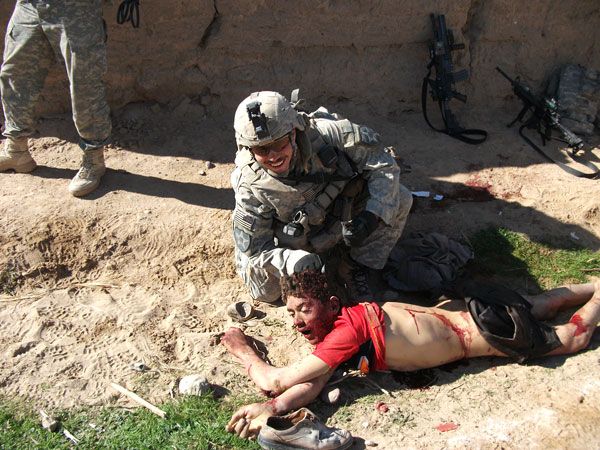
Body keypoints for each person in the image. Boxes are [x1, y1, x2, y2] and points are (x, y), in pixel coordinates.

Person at [221, 270, 600, 439]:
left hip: (492, 331)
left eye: (304, 309)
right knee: (540, 303)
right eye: (290, 313)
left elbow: (275, 380)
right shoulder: (352, 322)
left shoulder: (345, 333)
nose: (296, 321)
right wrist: (273, 409)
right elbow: (314, 381)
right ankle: (593, 284)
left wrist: (243, 350)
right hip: (475, 307)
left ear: (331, 304)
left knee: (571, 339)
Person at [231, 91, 413, 303]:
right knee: (266, 292)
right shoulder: (249, 184)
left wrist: (371, 216)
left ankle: (355, 267)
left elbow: (383, 164)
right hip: (290, 244)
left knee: (399, 198)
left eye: (280, 144)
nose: (273, 156)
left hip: (336, 218)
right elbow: (257, 250)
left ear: (294, 133)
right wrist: (293, 261)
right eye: (262, 149)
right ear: (249, 149)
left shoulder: (329, 135)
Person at [0, 0, 112, 197]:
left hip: (76, 10)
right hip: (29, 6)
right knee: (14, 74)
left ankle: (94, 159)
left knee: (84, 84)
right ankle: (16, 150)